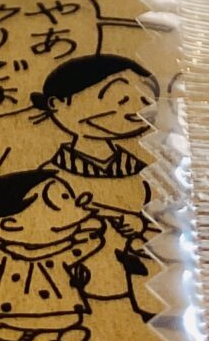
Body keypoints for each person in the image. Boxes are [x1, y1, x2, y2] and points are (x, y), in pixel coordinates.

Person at [32, 55, 159, 315]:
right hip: (71, 282)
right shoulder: (50, 177)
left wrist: (139, 227)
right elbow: (40, 230)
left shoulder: (143, 173)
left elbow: (166, 225)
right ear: (58, 105)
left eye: (145, 100)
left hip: (140, 284)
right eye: (121, 99)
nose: (134, 111)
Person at [0, 170, 119, 341]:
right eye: (59, 201)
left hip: (58, 298)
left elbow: (82, 248)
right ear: (11, 224)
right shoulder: (10, 255)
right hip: (22, 298)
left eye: (67, 198)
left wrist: (91, 233)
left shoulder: (59, 252)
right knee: (21, 313)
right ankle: (30, 332)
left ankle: (60, 333)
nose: (76, 207)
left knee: (62, 315)